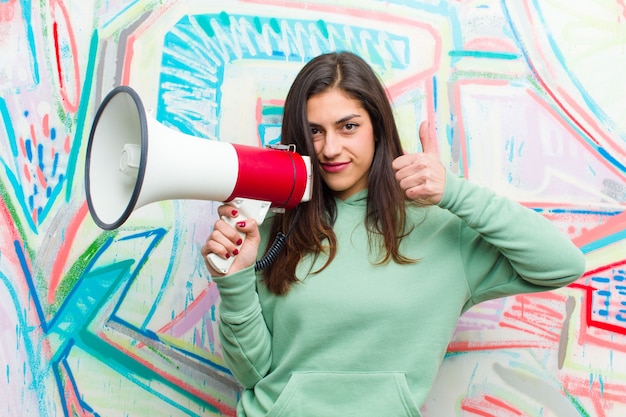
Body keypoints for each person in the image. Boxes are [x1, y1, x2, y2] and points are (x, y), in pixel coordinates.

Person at [201, 51, 586, 417]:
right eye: (314, 131)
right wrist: (234, 281)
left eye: (348, 126)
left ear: (377, 129)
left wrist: (453, 192)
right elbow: (252, 373)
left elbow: (562, 264)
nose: (330, 149)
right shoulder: (273, 230)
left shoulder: (442, 230)